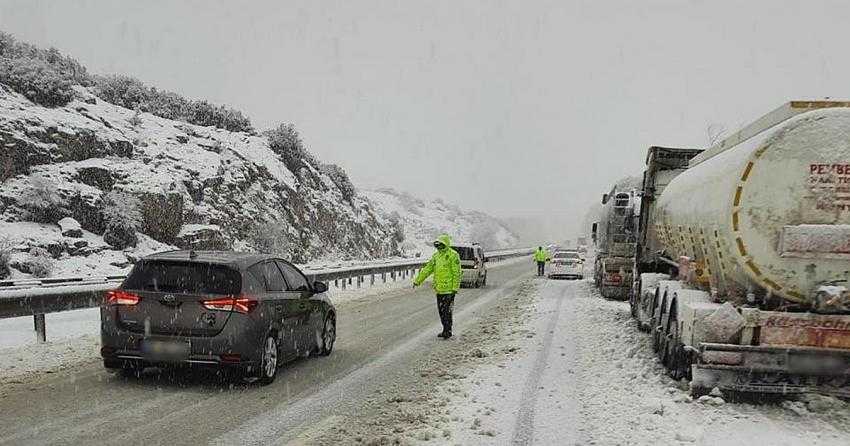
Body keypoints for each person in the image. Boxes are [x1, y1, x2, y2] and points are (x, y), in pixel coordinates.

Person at [413, 234, 461, 339]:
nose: (439, 247)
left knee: (447, 312)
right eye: (438, 245)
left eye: (441, 245)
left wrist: (455, 288)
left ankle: (448, 330)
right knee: (441, 311)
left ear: (446, 244)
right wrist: (418, 280)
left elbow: (457, 273)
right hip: (439, 290)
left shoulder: (453, 255)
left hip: (449, 291)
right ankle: (445, 329)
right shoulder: (436, 256)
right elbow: (428, 269)